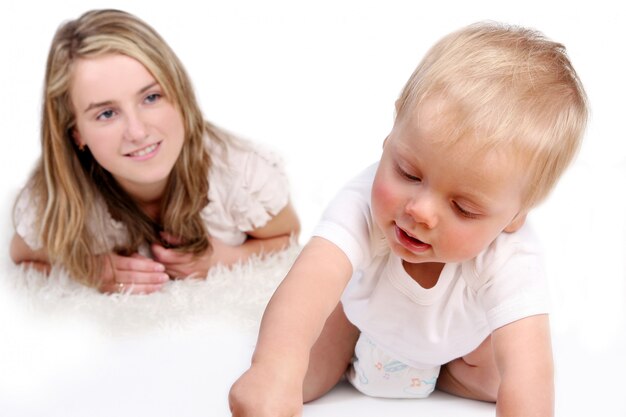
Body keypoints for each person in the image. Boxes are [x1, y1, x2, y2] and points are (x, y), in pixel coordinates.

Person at [229, 22, 587, 416]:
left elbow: (529, 366)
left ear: (515, 216)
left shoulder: (511, 257)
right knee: (303, 360)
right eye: (408, 173)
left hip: (461, 351)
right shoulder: (363, 203)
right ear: (392, 132)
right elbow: (311, 281)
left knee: (501, 378)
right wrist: (274, 368)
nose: (419, 211)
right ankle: (344, 362)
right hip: (361, 326)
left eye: (463, 208)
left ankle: (439, 377)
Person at [9, 9, 300, 294]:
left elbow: (287, 236)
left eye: (151, 97)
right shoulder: (55, 198)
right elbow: (21, 254)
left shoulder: (239, 173)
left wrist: (227, 260)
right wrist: (89, 267)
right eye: (107, 114)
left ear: (180, 95)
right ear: (76, 134)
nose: (137, 132)